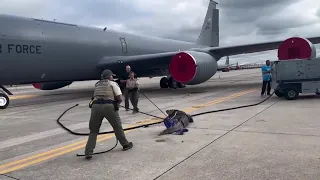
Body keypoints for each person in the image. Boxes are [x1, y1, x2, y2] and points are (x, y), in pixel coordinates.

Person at [84, 69, 133, 159]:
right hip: (108, 107)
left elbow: (95, 96)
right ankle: (125, 144)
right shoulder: (113, 84)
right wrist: (116, 103)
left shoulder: (97, 84)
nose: (112, 77)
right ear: (109, 77)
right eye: (112, 76)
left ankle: (88, 152)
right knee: (117, 127)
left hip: (95, 107)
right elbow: (119, 98)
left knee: (93, 131)